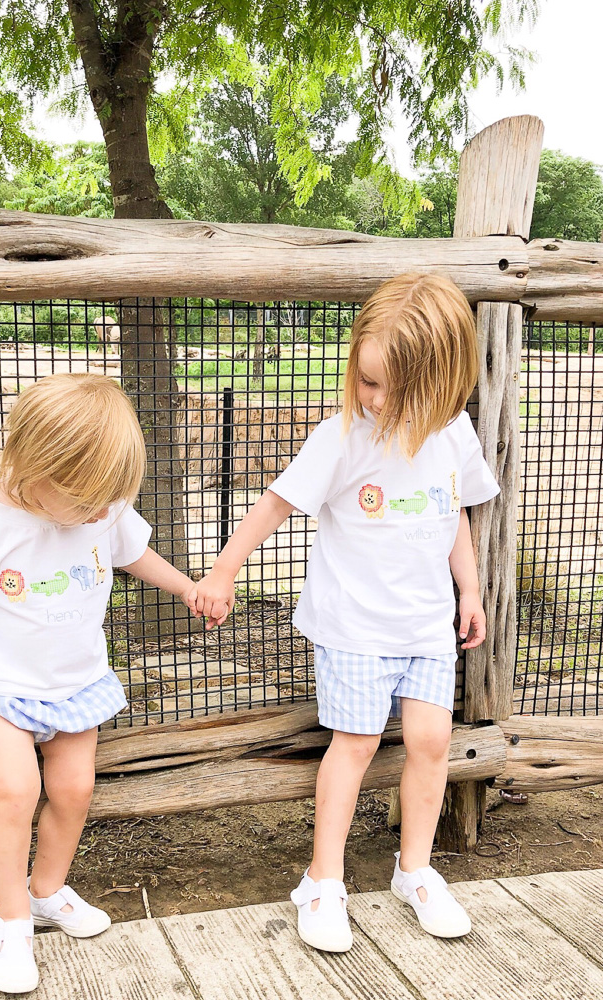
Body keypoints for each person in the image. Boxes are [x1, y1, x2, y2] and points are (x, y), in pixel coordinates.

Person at [195, 273, 500, 951]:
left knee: (430, 743)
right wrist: (223, 569)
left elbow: (454, 513)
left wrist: (470, 592)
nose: (376, 399)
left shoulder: (453, 434)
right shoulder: (343, 436)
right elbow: (275, 502)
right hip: (355, 627)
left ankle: (415, 871)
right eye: (366, 381)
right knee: (356, 744)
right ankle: (322, 881)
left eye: (395, 388)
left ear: (445, 381)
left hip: (426, 626)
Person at [0, 373, 199, 994]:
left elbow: (132, 552)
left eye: (108, 501)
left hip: (75, 680)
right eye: (88, 501)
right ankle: (11, 921)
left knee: (73, 789)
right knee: (15, 791)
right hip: (2, 685)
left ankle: (47, 891)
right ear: (34, 468)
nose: (100, 513)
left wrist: (184, 586)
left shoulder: (103, 505)